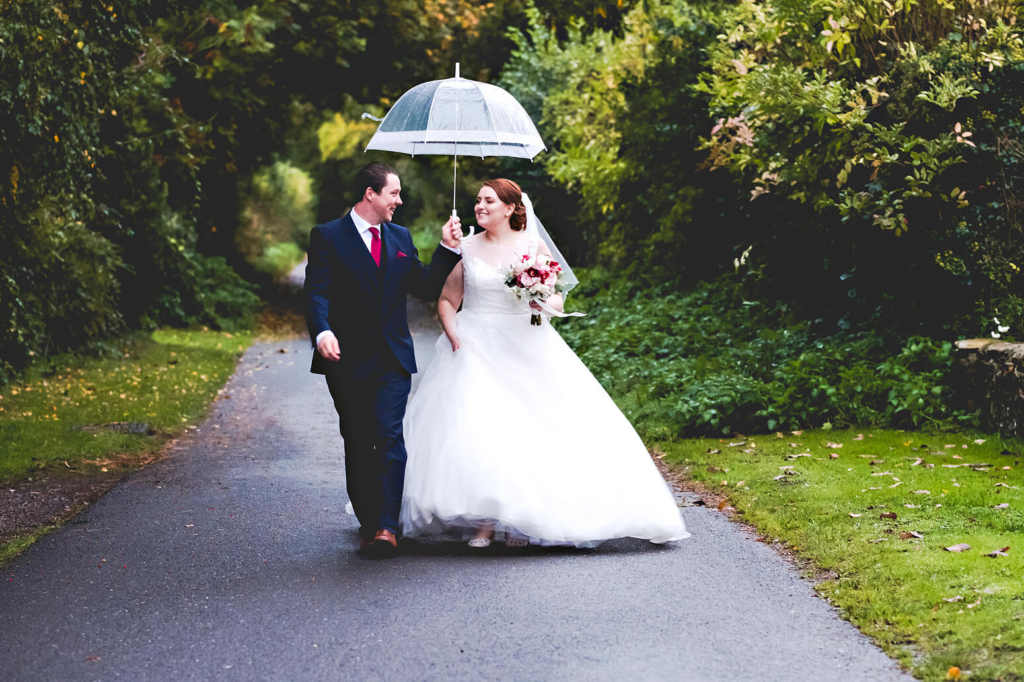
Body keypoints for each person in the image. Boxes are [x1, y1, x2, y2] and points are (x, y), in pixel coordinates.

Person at [400, 179, 689, 548]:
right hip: (475, 346)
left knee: (531, 427)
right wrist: (454, 334)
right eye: (477, 201)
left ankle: (522, 521)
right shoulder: (467, 248)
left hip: (525, 343)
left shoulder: (532, 247)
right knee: (482, 428)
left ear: (510, 208)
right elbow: (446, 299)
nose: (480, 206)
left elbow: (557, 302)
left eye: (489, 200)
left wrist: (540, 300)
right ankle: (486, 522)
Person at [304, 162, 463, 557]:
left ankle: (387, 528)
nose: (400, 200)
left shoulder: (400, 236)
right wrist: (322, 330)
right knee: (358, 440)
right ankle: (369, 520)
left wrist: (446, 249)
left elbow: (425, 285)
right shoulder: (328, 237)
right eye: (394, 192)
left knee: (390, 436)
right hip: (346, 358)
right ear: (370, 194)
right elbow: (316, 292)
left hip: (393, 357)